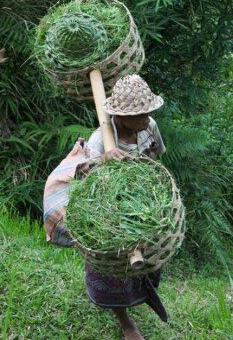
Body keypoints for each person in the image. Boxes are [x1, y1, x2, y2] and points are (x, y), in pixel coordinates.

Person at [83, 74, 168, 340]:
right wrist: (103, 163)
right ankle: (124, 321)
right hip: (111, 212)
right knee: (113, 266)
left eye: (147, 113)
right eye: (140, 115)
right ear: (120, 117)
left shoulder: (149, 127)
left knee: (148, 260)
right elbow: (86, 184)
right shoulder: (100, 141)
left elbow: (158, 160)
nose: (146, 119)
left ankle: (141, 297)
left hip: (144, 207)